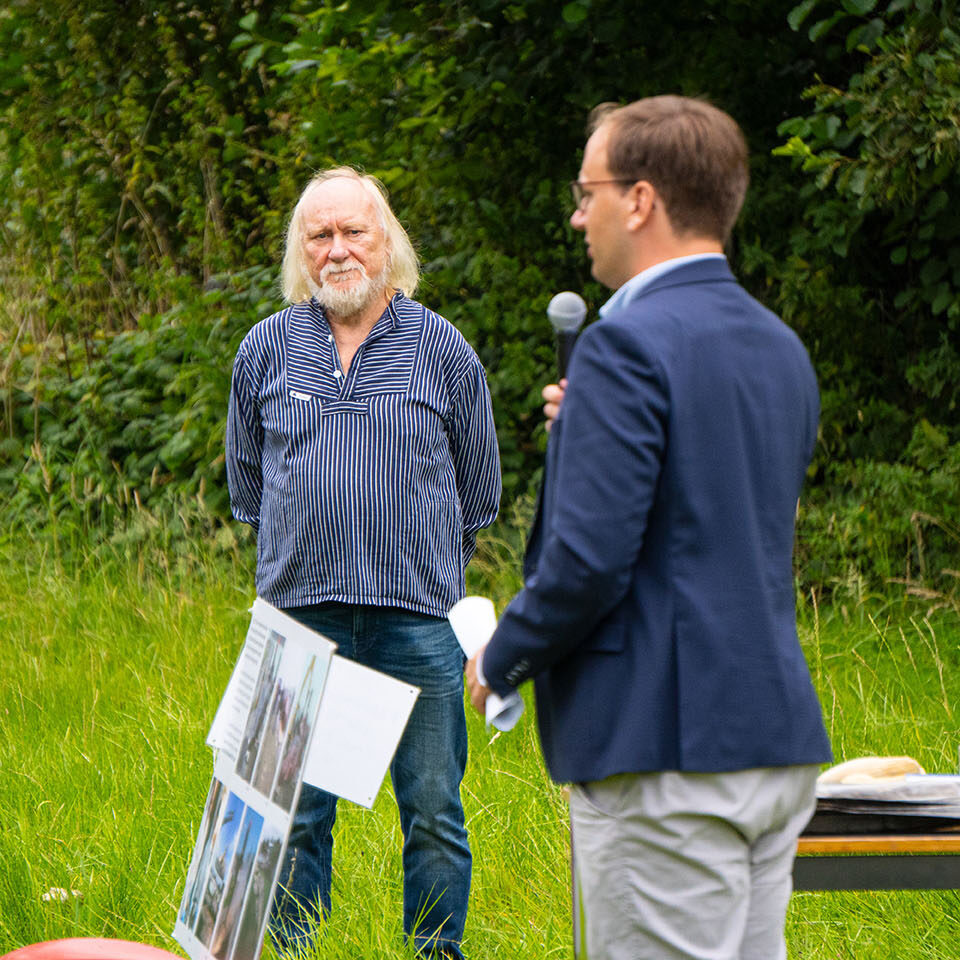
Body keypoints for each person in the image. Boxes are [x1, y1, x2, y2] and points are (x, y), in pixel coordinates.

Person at [466, 96, 832, 960]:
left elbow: (590, 563)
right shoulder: (779, 344)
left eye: (587, 190)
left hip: (665, 753)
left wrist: (503, 657)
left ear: (640, 200)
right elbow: (708, 515)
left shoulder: (622, 346)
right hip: (771, 740)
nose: (576, 213)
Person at [226, 166, 501, 958]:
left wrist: (415, 565)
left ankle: (434, 954)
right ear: (301, 251)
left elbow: (478, 490)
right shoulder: (265, 348)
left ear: (386, 243)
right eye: (320, 235)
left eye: (354, 232)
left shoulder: (441, 348)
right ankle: (290, 952)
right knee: (291, 813)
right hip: (298, 619)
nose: (338, 249)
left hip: (416, 623)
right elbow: (249, 482)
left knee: (433, 813)